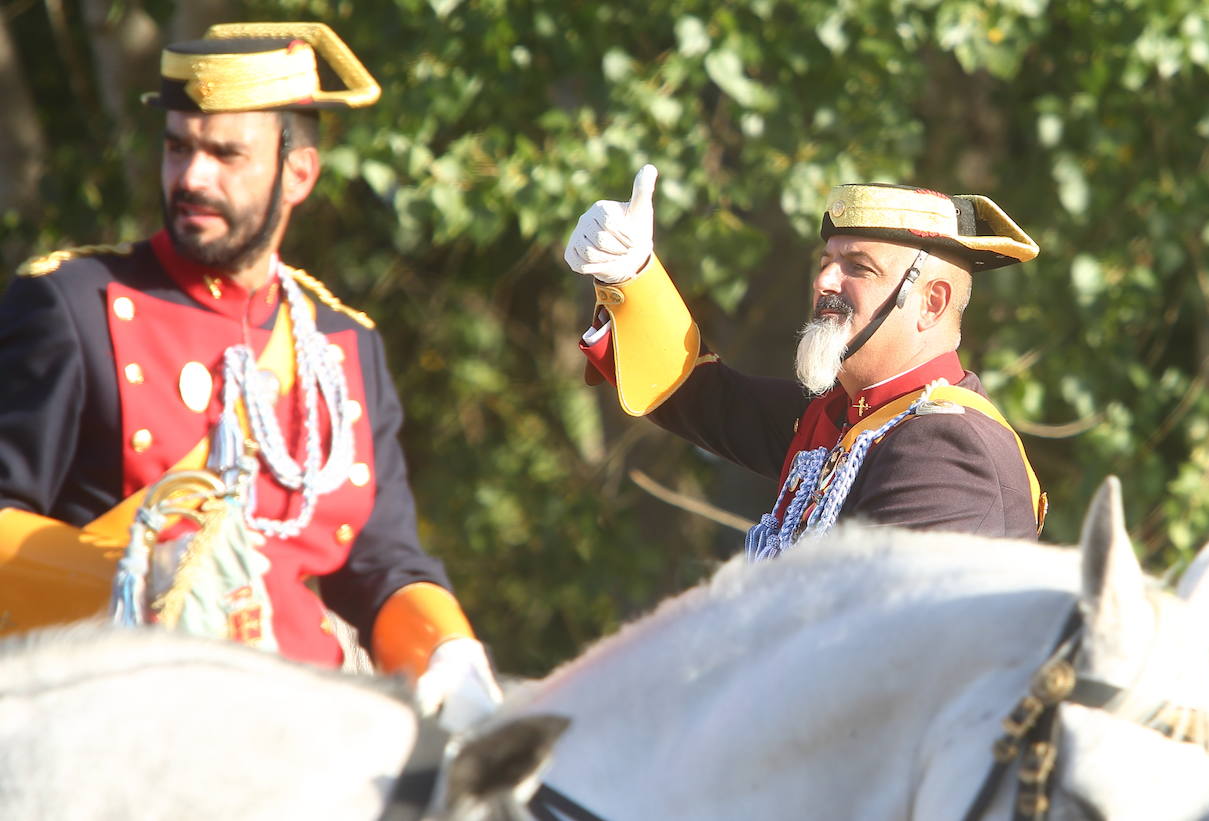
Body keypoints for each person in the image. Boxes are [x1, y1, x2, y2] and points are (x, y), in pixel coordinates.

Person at [0, 22, 497, 719]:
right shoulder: (74, 303)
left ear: (299, 174)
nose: (192, 176)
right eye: (178, 147)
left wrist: (447, 648)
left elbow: (385, 566)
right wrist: (135, 581)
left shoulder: (344, 344)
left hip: (311, 731)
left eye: (225, 153)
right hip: (127, 724)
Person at [565, 165, 1046, 558]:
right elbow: (699, 393)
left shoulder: (948, 445)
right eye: (825, 263)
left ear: (932, 303)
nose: (825, 282)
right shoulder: (842, 416)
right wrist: (630, 275)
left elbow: (882, 645)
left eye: (858, 267)